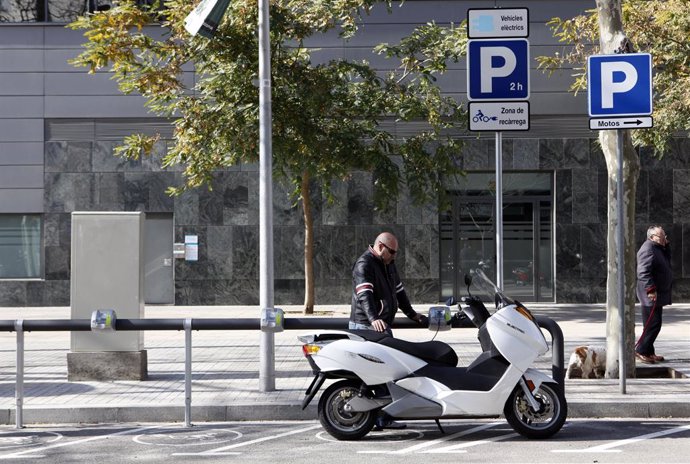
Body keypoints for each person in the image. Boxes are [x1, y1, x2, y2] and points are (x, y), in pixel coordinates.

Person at [349, 232, 427, 430]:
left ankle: (382, 417)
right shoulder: (364, 264)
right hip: (366, 327)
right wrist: (373, 318)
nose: (394, 256)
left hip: (382, 326)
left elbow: (399, 292)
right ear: (381, 246)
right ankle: (379, 418)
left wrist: (413, 314)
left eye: (396, 252)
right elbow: (364, 295)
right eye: (392, 251)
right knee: (377, 374)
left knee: (386, 373)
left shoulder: (388, 264)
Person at [635, 225, 672, 364]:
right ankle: (641, 351)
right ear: (651, 237)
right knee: (654, 324)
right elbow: (643, 272)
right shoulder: (648, 249)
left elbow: (667, 261)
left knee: (651, 324)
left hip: (657, 293)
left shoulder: (658, 248)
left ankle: (649, 351)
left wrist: (666, 245)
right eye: (661, 237)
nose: (664, 239)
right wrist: (650, 290)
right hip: (650, 294)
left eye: (665, 236)